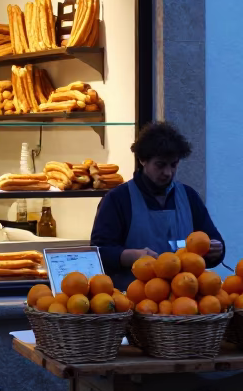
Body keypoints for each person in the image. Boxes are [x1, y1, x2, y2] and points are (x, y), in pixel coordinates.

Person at [91, 121, 225, 285]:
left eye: (173, 165)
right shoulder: (118, 199)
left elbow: (212, 240)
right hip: (133, 295)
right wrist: (130, 256)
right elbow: (99, 253)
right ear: (143, 160)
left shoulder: (189, 197)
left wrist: (217, 250)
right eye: (160, 165)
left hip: (185, 294)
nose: (168, 173)